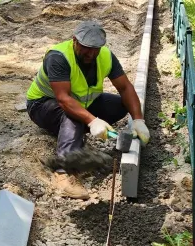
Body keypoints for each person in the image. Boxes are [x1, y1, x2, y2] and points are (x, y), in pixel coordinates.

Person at [26, 20, 150, 199]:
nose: (90, 53)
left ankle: (74, 132)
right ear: (75, 40)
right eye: (86, 47)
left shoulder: (106, 56)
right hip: (42, 105)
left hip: (78, 104)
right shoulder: (58, 57)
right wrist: (92, 120)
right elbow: (64, 99)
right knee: (72, 115)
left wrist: (138, 120)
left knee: (121, 105)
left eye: (95, 49)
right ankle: (63, 174)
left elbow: (125, 88)